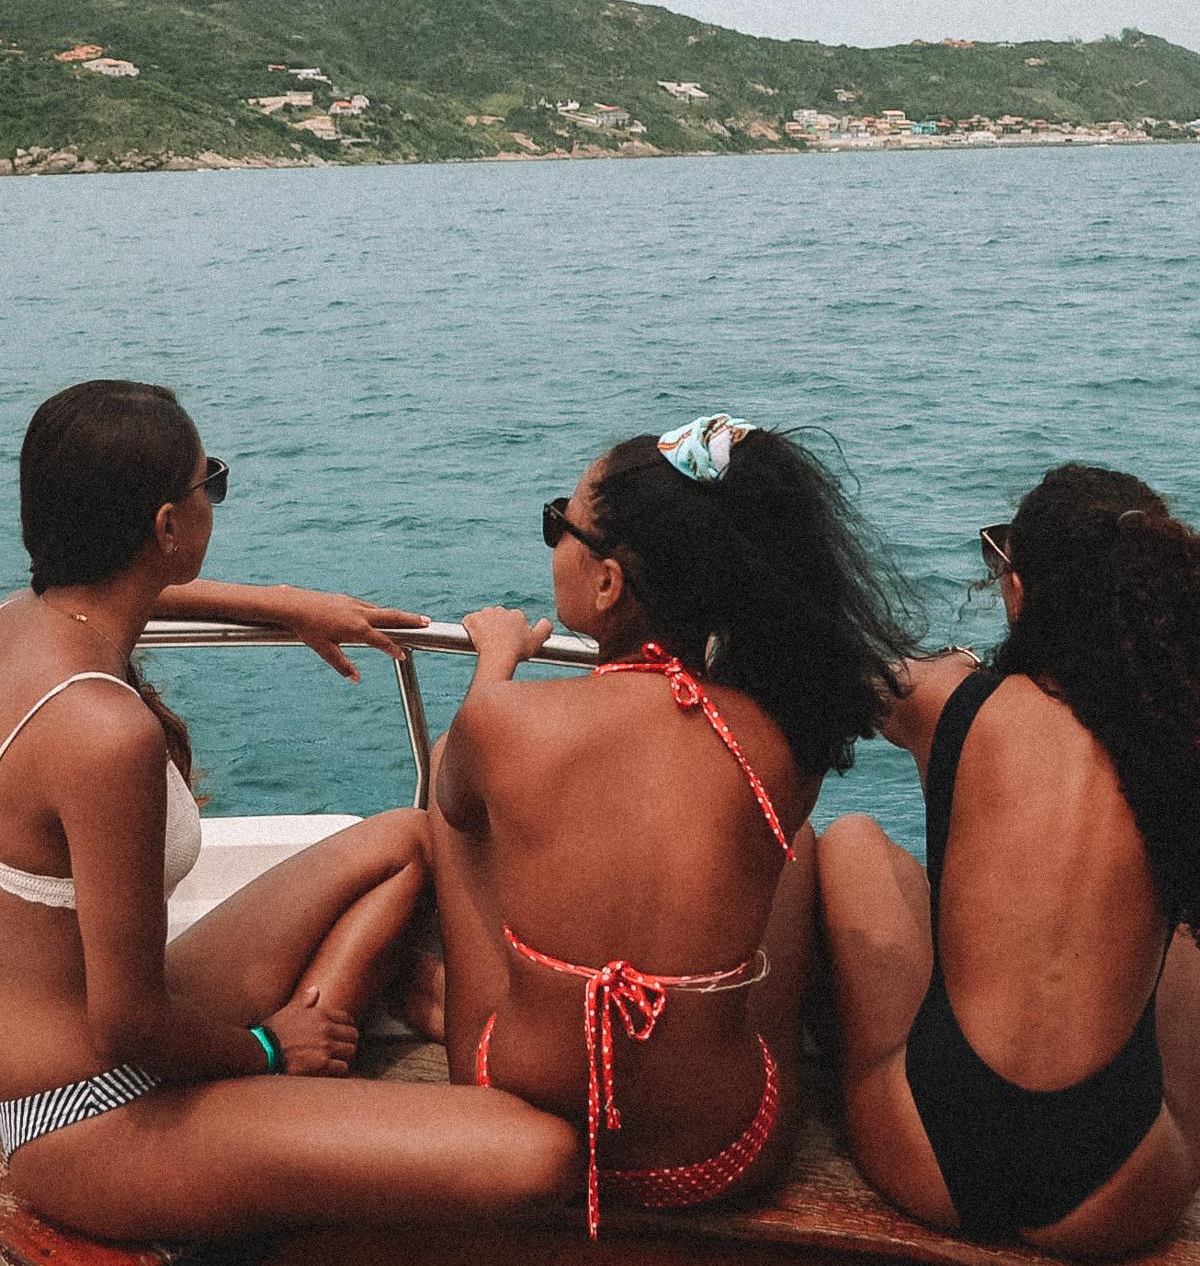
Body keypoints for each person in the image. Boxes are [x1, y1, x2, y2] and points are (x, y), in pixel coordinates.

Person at [0, 380, 577, 1241]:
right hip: (76, 1114)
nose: (214, 498)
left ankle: (319, 1032)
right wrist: (268, 1048)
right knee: (538, 1154)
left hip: (93, 1027)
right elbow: (127, 1026)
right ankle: (303, 1059)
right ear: (166, 528)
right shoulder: (104, 733)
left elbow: (128, 596)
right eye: (212, 483)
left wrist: (283, 603)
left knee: (398, 842)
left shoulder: (20, 623)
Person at [429, 414, 913, 1236]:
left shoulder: (505, 723)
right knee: (786, 847)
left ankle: (464, 1002)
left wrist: (494, 663)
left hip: (512, 1106)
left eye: (561, 524)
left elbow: (457, 805)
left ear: (610, 583)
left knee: (454, 786)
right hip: (722, 1157)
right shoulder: (775, 743)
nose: (555, 541)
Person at [818, 463, 1200, 1256]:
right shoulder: (1180, 742)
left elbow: (849, 670)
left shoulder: (951, 703)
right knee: (1186, 943)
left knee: (854, 841)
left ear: (1019, 593)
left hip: (931, 1157)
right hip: (1117, 1197)